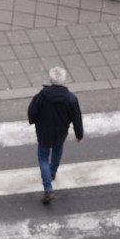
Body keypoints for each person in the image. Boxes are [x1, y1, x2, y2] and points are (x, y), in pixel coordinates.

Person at [27, 66, 83, 204]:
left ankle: (48, 188)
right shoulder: (71, 98)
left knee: (43, 157)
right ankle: (53, 171)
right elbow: (76, 117)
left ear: (50, 79)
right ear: (64, 80)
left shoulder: (41, 96)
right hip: (61, 132)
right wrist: (79, 134)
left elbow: (32, 113)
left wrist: (33, 121)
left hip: (44, 132)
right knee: (58, 149)